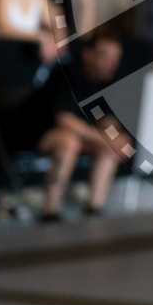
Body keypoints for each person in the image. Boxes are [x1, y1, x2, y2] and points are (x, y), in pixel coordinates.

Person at [38, 31, 129, 220]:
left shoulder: (105, 81)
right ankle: (50, 211)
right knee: (70, 142)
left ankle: (94, 208)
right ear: (88, 54)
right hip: (38, 134)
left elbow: (107, 120)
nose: (112, 63)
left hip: (77, 136)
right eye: (105, 56)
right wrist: (105, 139)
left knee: (110, 145)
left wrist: (115, 138)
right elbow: (64, 120)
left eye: (115, 58)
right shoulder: (67, 74)